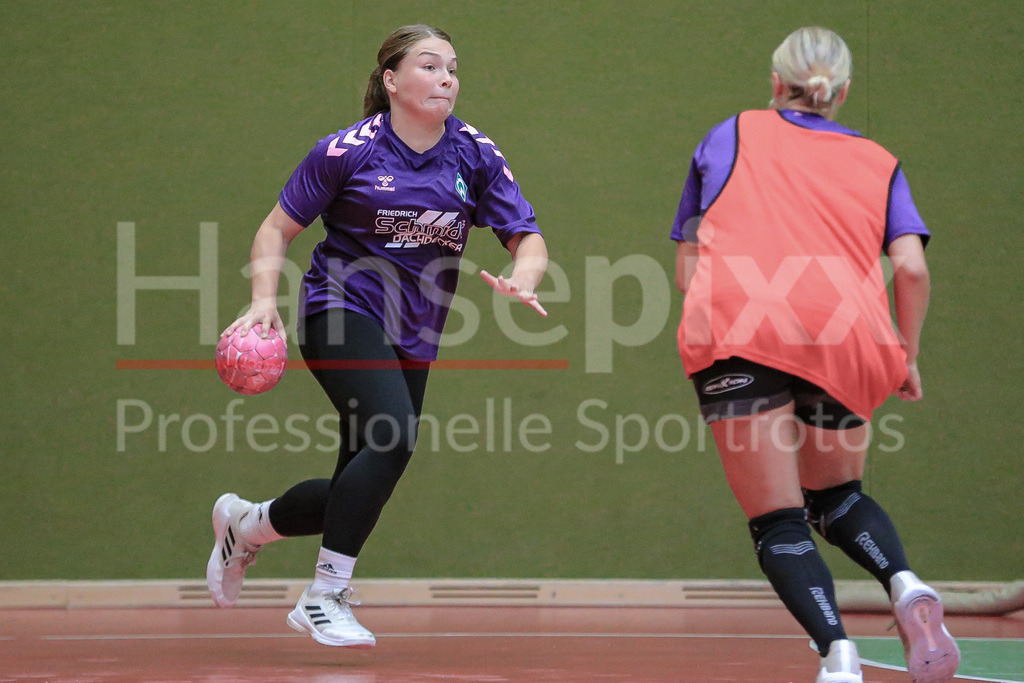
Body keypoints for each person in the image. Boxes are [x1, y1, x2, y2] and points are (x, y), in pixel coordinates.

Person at [206, 24, 549, 648]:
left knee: (357, 480)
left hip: (414, 335)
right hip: (338, 309)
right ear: (392, 80)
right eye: (429, 65)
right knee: (394, 435)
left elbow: (527, 237)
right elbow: (274, 230)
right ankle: (324, 595)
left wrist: (523, 278)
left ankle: (247, 524)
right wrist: (263, 302)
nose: (447, 76)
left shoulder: (475, 154)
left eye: (452, 66)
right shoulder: (347, 151)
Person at [671, 27, 959, 682]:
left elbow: (690, 270)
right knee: (836, 497)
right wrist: (906, 356)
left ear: (776, 84)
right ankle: (906, 581)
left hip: (741, 325)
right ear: (844, 91)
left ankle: (838, 652)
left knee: (779, 521)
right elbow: (910, 268)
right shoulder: (880, 161)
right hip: (850, 338)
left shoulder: (730, 135)